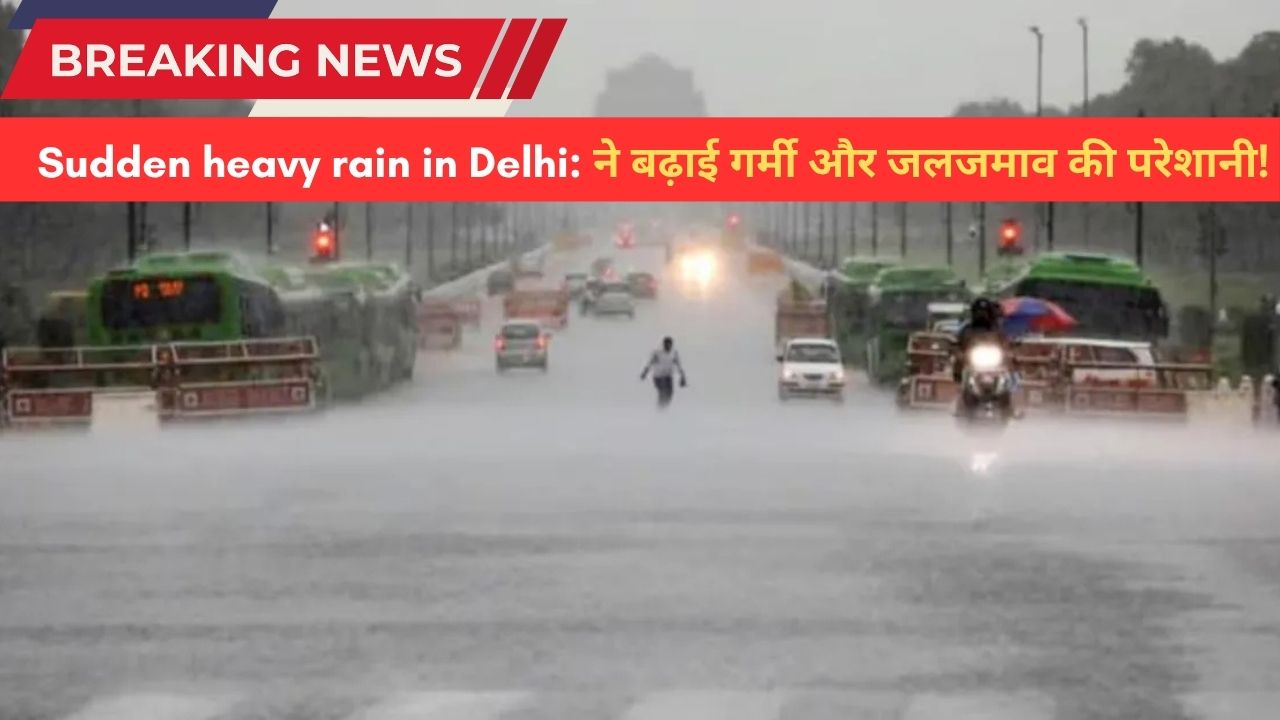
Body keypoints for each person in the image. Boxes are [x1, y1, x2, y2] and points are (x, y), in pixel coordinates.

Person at [640, 336, 687, 406]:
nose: (668, 347)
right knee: (663, 392)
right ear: (663, 344)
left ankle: (664, 409)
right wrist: (644, 373)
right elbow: (649, 363)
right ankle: (660, 409)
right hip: (658, 377)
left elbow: (679, 365)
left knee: (670, 394)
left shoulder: (674, 353)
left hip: (668, 377)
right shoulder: (657, 352)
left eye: (669, 345)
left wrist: (683, 377)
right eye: (666, 345)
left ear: (671, 345)